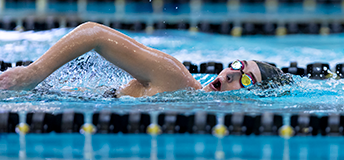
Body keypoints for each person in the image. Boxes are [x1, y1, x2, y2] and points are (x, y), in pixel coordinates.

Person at [0, 22, 289, 98]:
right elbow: (93, 33)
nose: (230, 75)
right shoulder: (175, 77)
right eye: (238, 66)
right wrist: (33, 73)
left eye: (246, 80)